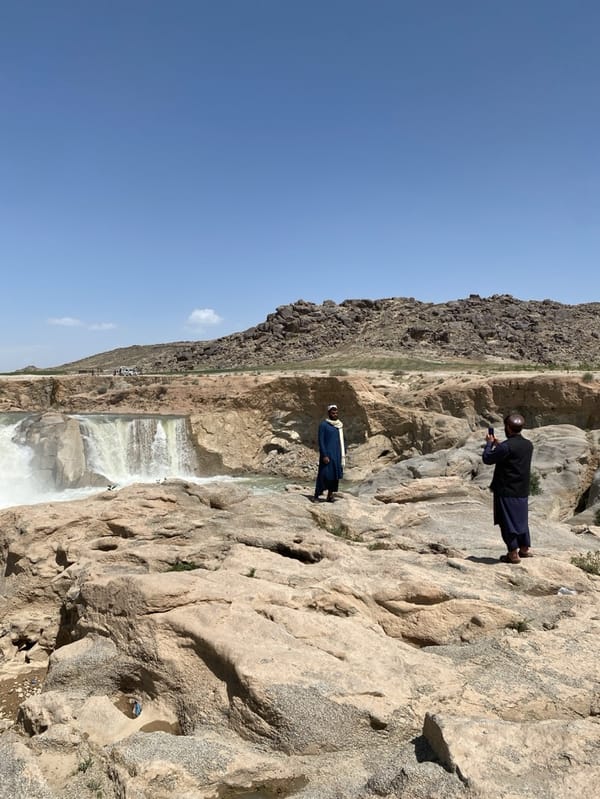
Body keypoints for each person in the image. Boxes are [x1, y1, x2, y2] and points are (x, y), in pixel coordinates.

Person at [482, 412, 534, 564]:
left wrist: (489, 444)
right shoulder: (528, 444)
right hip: (522, 490)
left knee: (507, 522)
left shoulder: (506, 447)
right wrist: (500, 446)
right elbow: (513, 456)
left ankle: (513, 554)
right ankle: (524, 549)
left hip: (506, 490)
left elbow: (487, 459)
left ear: (508, 428)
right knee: (521, 520)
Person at [314, 403, 345, 502]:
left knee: (334, 476)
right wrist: (324, 455)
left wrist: (343, 454)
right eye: (333, 412)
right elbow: (321, 441)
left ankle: (330, 495)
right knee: (324, 475)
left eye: (336, 412)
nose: (335, 414)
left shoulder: (339, 425)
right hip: (327, 455)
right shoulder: (323, 425)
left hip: (337, 455)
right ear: (329, 413)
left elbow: (342, 441)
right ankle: (317, 495)